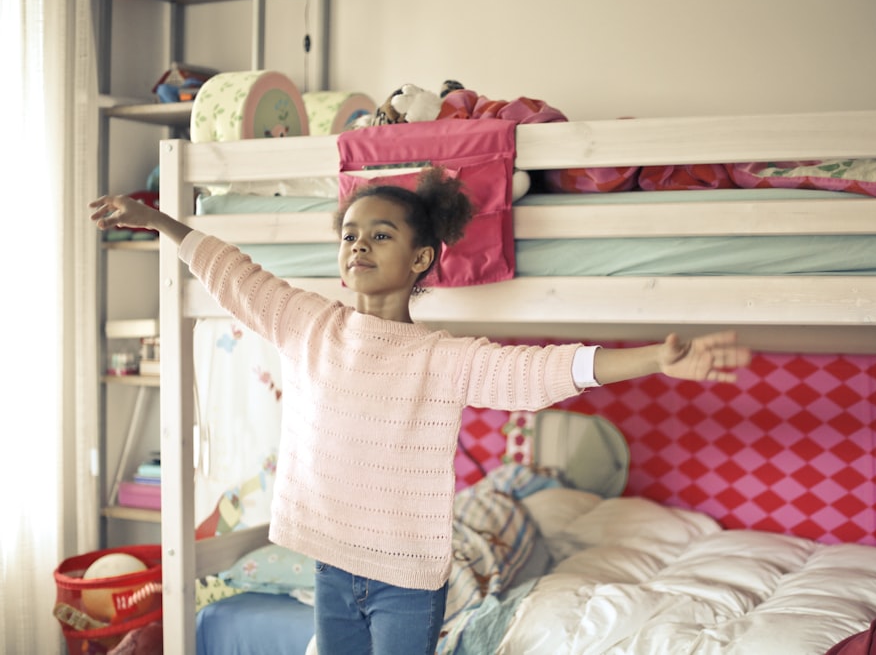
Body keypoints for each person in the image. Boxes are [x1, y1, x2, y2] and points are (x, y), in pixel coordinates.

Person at [90, 168, 751, 655]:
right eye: (350, 234)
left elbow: (541, 370)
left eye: (381, 235)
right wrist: (159, 223)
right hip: (331, 565)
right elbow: (232, 272)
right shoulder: (308, 325)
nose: (358, 245)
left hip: (405, 579)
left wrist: (652, 359)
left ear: (422, 258)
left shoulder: (439, 356)